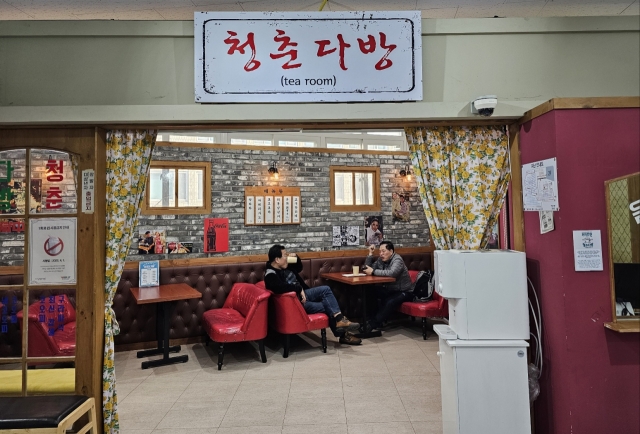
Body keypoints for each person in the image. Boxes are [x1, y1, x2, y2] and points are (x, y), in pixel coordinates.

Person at [264, 244, 362, 345]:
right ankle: (342, 330)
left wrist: (296, 257)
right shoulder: (270, 274)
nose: (287, 257)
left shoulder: (285, 266)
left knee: (331, 305)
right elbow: (278, 287)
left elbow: (299, 267)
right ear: (277, 259)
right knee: (326, 292)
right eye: (285, 255)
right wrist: (298, 288)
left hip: (305, 295)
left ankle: (340, 323)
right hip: (298, 303)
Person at [361, 241, 415, 334]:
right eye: (380, 252)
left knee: (389, 302)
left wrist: (373, 272)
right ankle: (371, 320)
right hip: (391, 290)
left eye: (383, 251)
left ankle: (373, 324)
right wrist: (370, 254)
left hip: (405, 292)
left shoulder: (397, 260)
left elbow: (392, 273)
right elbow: (367, 268)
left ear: (391, 251)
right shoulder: (380, 260)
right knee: (369, 291)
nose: (381, 254)